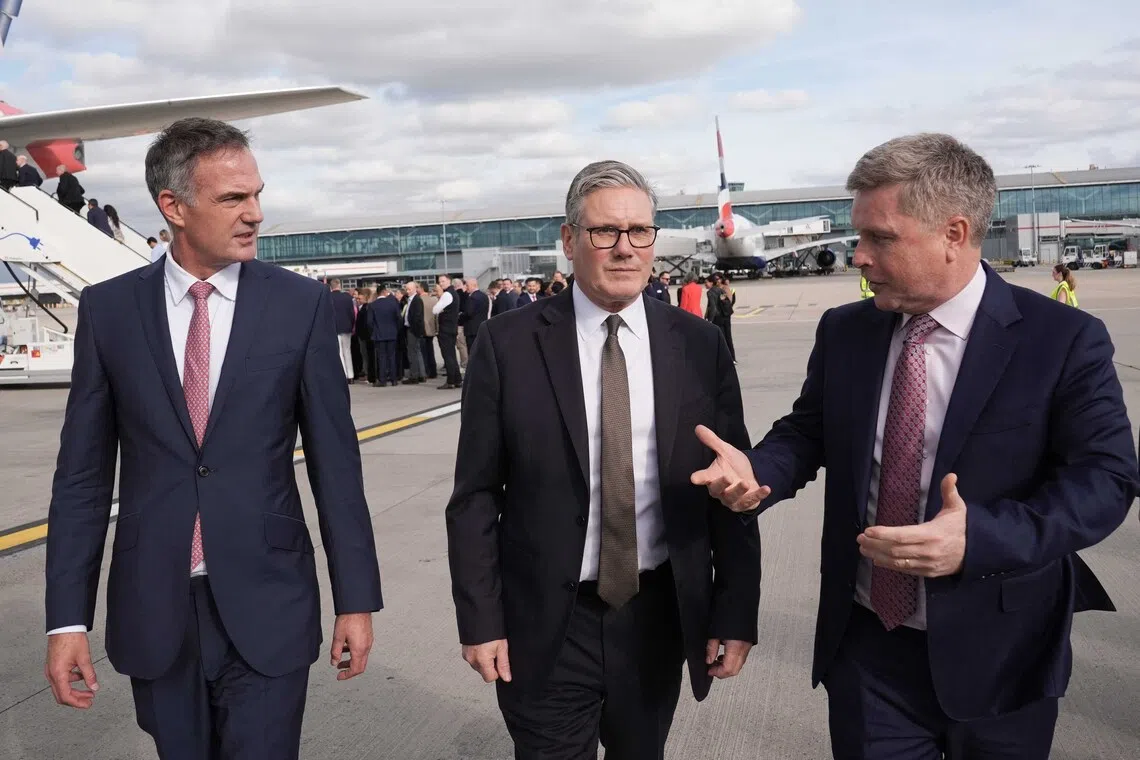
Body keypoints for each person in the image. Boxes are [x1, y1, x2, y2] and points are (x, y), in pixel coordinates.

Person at [691, 133, 1139, 759]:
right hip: (871, 646)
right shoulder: (847, 330)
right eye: (858, 236)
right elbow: (810, 429)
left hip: (1002, 651)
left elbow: (1107, 480)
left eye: (881, 238)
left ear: (954, 234)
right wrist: (757, 472)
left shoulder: (1061, 340)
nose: (860, 257)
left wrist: (977, 537)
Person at [43, 117, 384, 759]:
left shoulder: (298, 305)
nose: (254, 213)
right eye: (233, 198)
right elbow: (82, 478)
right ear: (173, 206)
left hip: (269, 598)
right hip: (156, 603)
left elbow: (336, 467)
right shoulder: (109, 311)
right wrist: (67, 618)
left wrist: (356, 599)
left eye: (256, 194)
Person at [446, 160, 761, 759]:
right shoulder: (507, 344)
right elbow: (475, 495)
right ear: (569, 241)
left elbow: (733, 487)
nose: (625, 249)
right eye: (604, 232)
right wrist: (480, 618)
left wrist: (736, 609)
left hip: (656, 617)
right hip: (547, 622)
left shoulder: (698, 346)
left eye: (639, 231)